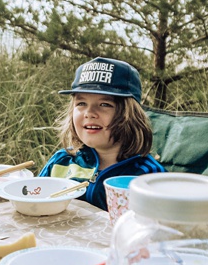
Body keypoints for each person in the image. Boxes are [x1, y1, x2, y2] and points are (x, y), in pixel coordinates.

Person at [38, 57, 166, 211]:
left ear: (130, 115)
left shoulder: (148, 175)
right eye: (81, 103)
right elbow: (35, 203)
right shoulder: (61, 162)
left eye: (105, 104)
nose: (89, 113)